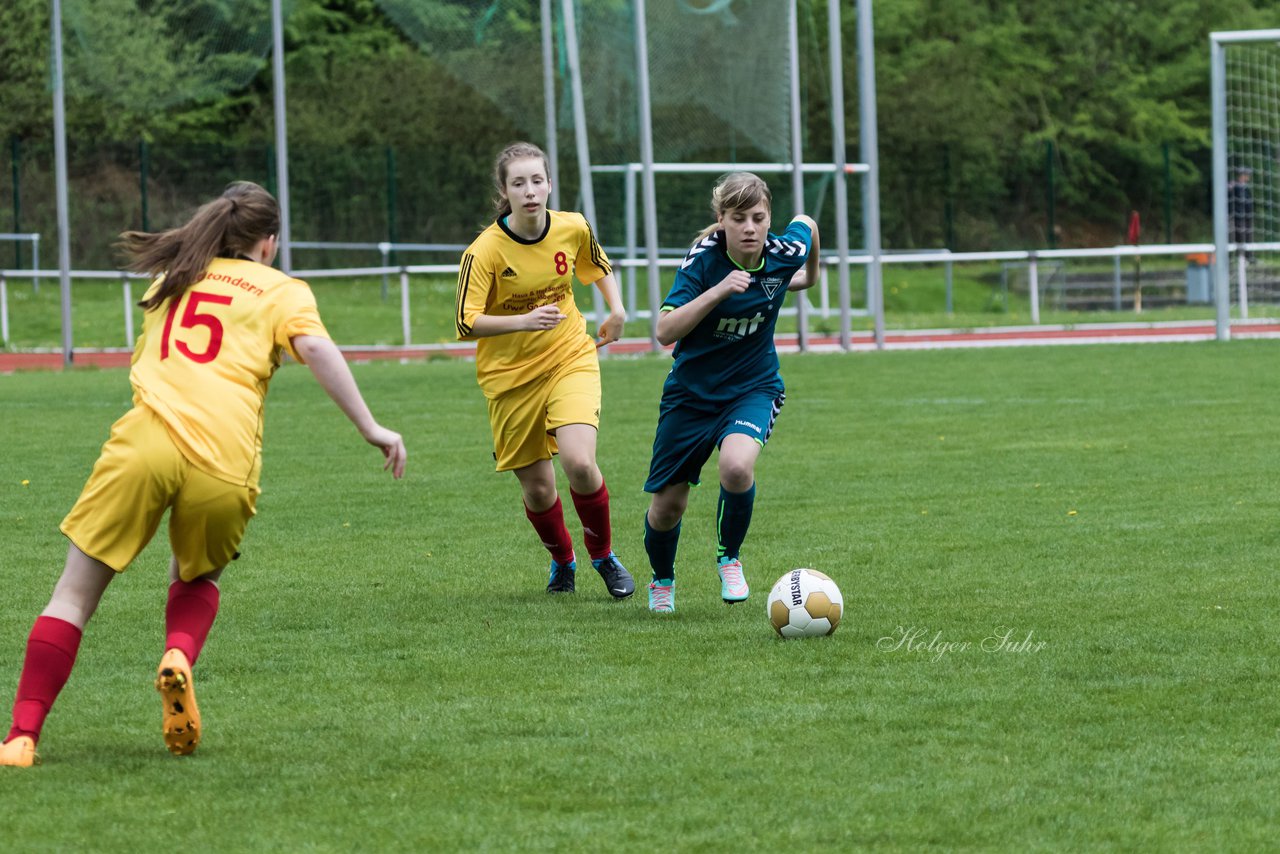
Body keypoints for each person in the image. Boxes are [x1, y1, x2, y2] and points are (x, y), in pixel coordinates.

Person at [0, 181, 407, 768]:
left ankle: (21, 737)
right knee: (195, 577)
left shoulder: (172, 276)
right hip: (224, 455)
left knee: (73, 595)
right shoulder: (283, 289)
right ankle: (178, 655)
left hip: (144, 443)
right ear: (269, 242)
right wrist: (372, 427)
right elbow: (316, 349)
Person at [455, 142, 634, 599]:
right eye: (519, 183)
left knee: (579, 461)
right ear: (505, 191)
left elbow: (596, 266)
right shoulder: (485, 252)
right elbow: (465, 321)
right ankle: (563, 561)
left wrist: (616, 309)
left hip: (569, 355)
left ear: (549, 184)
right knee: (538, 490)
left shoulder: (572, 227)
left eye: (537, 180)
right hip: (510, 379)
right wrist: (523, 320)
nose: (530, 191)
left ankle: (604, 557)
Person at [641, 172, 819, 613]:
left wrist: (808, 277)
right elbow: (664, 330)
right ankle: (662, 580)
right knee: (668, 507)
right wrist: (718, 292)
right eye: (738, 219)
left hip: (753, 387)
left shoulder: (782, 251)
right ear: (721, 220)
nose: (750, 228)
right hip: (691, 395)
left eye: (758, 218)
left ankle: (729, 558)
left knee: (737, 467)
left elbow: (809, 225)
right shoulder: (703, 260)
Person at [1229, 167, 1254, 261]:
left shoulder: (1245, 187)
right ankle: (1236, 257)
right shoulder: (1234, 186)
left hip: (1246, 216)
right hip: (1237, 216)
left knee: (1248, 236)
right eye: (1246, 175)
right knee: (1238, 236)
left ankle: (1248, 257)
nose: (1248, 177)